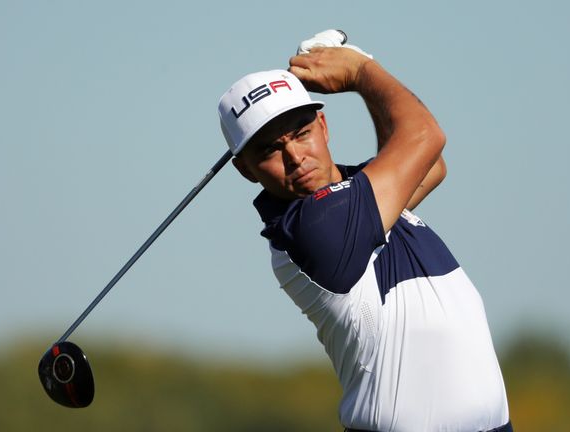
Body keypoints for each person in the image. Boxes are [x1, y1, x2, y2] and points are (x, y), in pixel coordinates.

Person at [217, 33, 512, 432]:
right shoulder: (313, 228)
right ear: (245, 169)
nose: (294, 156)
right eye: (270, 149)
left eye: (302, 133)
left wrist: (363, 70)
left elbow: (431, 163)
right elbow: (425, 137)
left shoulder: (357, 196)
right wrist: (361, 70)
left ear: (322, 125)